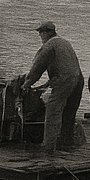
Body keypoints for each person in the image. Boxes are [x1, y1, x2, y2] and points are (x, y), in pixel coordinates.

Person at [24, 21, 83, 153]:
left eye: (40, 33)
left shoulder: (49, 45)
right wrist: (49, 83)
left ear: (46, 33)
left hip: (65, 80)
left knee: (52, 111)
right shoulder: (63, 42)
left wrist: (26, 84)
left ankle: (48, 146)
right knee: (68, 113)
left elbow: (37, 69)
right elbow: (64, 65)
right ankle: (66, 142)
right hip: (78, 79)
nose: (40, 35)